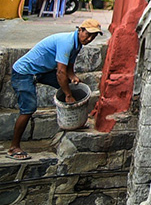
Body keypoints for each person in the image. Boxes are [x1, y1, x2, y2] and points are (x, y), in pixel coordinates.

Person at [7, 18, 103, 159]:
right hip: (24, 72)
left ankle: (73, 121)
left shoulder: (77, 44)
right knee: (28, 109)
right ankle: (13, 148)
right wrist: (68, 95)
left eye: (92, 37)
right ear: (80, 30)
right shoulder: (67, 42)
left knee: (71, 86)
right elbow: (60, 72)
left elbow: (69, 68)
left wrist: (73, 77)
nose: (89, 39)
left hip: (41, 71)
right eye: (87, 34)